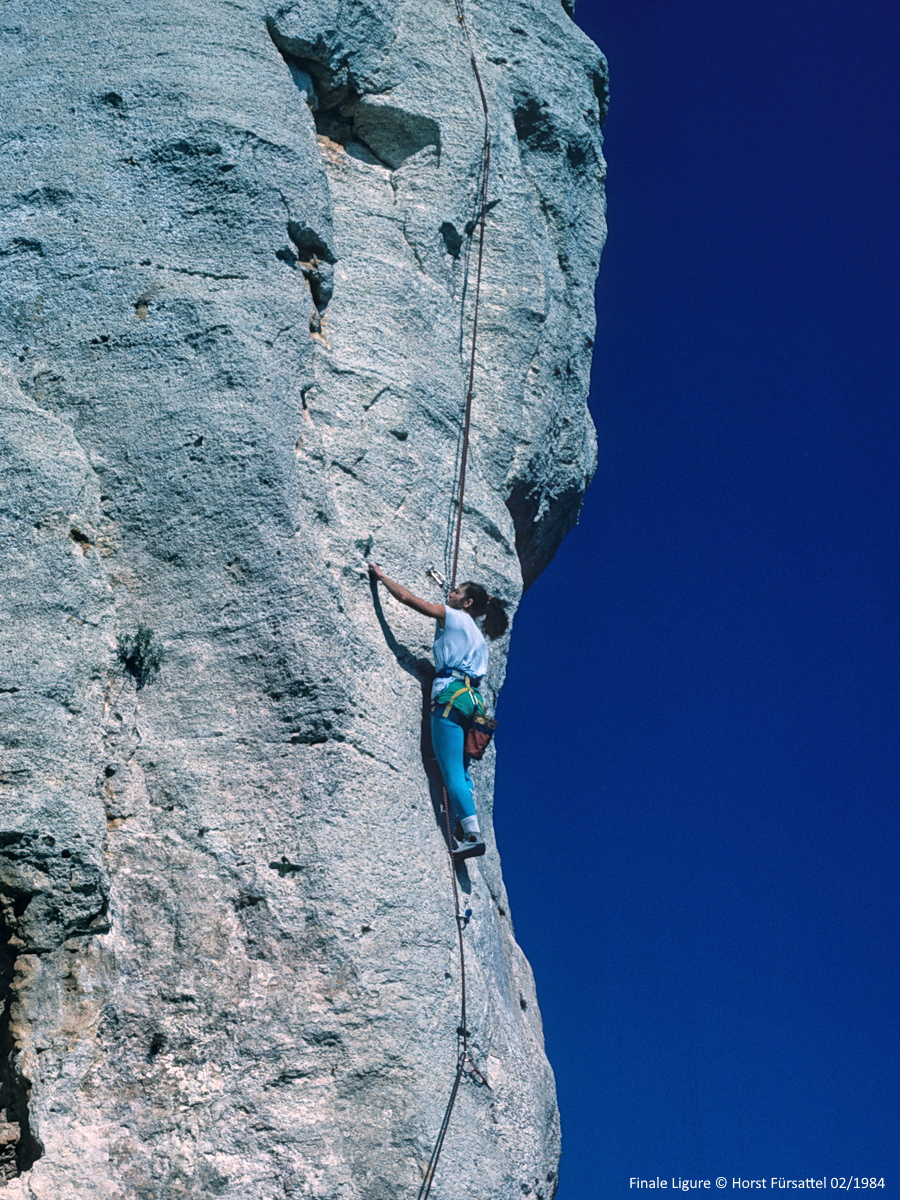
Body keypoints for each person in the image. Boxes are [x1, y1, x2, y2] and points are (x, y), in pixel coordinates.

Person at [368, 563, 508, 862]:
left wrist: (381, 576)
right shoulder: (481, 642)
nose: (451, 593)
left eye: (456, 592)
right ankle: (464, 820)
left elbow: (407, 599)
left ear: (467, 602)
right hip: (475, 704)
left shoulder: (452, 615)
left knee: (451, 771)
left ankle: (472, 834)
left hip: (450, 696)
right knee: (463, 769)